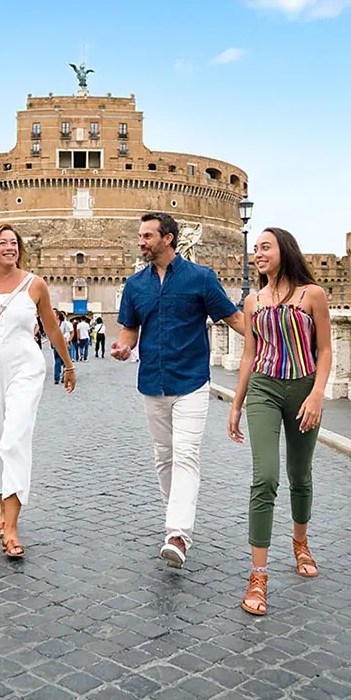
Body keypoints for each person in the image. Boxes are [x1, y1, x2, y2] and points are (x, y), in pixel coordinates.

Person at [112, 212, 247, 569]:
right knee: (164, 457)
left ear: (168, 238)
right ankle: (179, 517)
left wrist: (268, 343)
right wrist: (123, 348)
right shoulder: (135, 285)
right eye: (140, 236)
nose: (141, 241)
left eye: (147, 236)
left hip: (191, 381)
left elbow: (233, 318)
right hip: (152, 383)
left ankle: (176, 533)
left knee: (186, 454)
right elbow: (129, 333)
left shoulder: (201, 278)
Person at [227, 228, 333, 616]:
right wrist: (237, 403)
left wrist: (317, 394)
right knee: (265, 477)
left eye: (265, 247)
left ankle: (300, 542)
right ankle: (258, 576)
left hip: (304, 388)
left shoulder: (312, 296)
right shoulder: (253, 300)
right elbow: (249, 355)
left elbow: (324, 350)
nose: (257, 254)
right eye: (255, 249)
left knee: (299, 474)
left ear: (284, 250)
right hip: (264, 390)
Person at [0, 223, 75, 559]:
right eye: (3, 243)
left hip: (26, 366)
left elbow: (51, 326)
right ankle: (4, 512)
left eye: (14, 243)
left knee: (13, 440)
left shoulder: (35, 284)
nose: (9, 247)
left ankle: (11, 528)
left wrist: (68, 364)